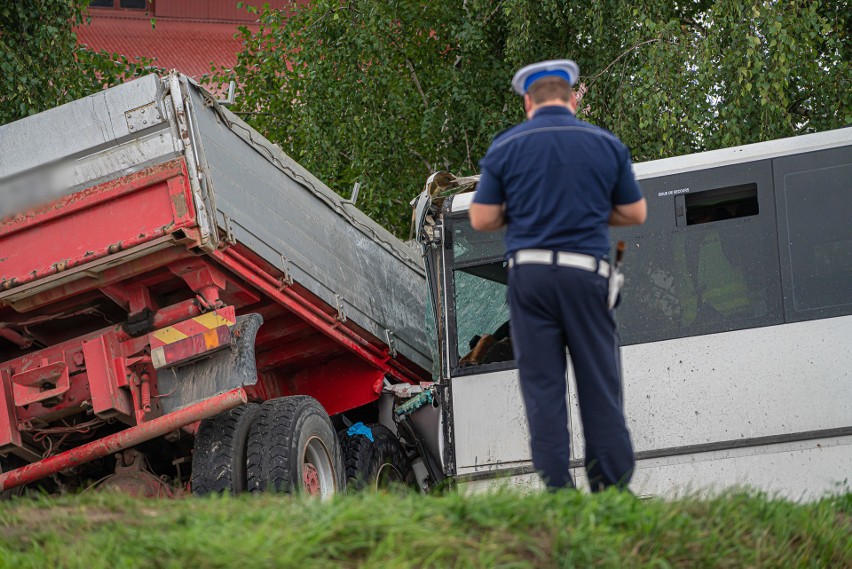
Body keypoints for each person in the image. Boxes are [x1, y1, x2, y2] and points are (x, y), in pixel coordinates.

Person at [469, 59, 647, 491]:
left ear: (528, 101)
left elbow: (480, 217)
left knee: (543, 386)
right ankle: (612, 487)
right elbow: (636, 212)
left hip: (530, 279)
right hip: (586, 275)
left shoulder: (506, 146)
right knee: (599, 382)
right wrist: (583, 208)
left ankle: (558, 490)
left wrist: (527, 212)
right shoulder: (604, 143)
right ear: (570, 97)